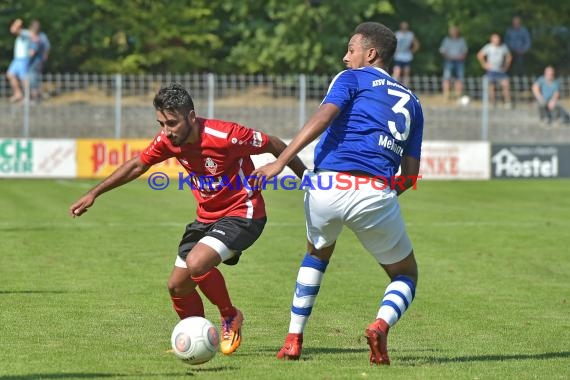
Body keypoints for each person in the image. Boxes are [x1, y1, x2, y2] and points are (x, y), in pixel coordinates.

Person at [69, 83, 306, 355]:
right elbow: (138, 165)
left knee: (196, 262)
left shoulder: (227, 135)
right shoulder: (169, 140)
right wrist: (94, 193)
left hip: (243, 213)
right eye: (161, 123)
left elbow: (274, 143)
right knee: (178, 286)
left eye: (172, 123)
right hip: (206, 218)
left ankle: (230, 316)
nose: (166, 131)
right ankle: (196, 339)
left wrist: (307, 179)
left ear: (191, 117)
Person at [253, 22, 424, 365]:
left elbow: (323, 117)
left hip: (327, 186)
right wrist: (378, 196)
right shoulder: (414, 102)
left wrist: (281, 161)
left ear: (370, 54)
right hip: (376, 192)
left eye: (351, 50)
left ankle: (292, 339)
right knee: (406, 275)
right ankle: (380, 324)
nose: (345, 57)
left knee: (316, 254)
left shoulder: (351, 78)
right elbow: (410, 176)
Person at [477, 33, 512, 108]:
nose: (497, 40)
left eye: (498, 39)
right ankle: (493, 103)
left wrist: (506, 66)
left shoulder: (503, 47)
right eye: (495, 39)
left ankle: (507, 102)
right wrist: (484, 64)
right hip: (491, 70)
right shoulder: (488, 47)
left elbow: (509, 57)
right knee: (491, 87)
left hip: (500, 70)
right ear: (492, 40)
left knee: (506, 84)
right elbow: (480, 55)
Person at [439, 26, 468, 101]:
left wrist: (461, 57)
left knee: (459, 79)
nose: (454, 33)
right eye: (452, 31)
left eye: (455, 31)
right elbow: (442, 51)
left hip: (459, 62)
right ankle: (446, 96)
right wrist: (448, 57)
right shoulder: (446, 40)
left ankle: (458, 96)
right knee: (446, 79)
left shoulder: (462, 40)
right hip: (449, 61)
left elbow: (465, 51)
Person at [6, 18, 31, 102]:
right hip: (17, 59)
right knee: (10, 74)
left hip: (23, 59)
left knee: (24, 78)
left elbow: (13, 30)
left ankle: (27, 97)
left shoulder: (25, 33)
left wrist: (17, 24)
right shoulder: (21, 34)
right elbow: (12, 30)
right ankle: (18, 93)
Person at [27, 20, 51, 101]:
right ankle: (33, 96)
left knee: (34, 78)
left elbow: (47, 47)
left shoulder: (41, 36)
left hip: (37, 61)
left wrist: (44, 57)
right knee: (30, 78)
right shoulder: (28, 35)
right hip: (28, 61)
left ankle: (36, 97)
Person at [392, 21, 420, 88]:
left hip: (407, 56)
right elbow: (392, 44)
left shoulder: (410, 34)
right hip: (398, 56)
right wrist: (394, 52)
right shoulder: (397, 34)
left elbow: (417, 44)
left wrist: (411, 51)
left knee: (406, 72)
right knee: (397, 72)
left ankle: (405, 88)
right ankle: (394, 86)